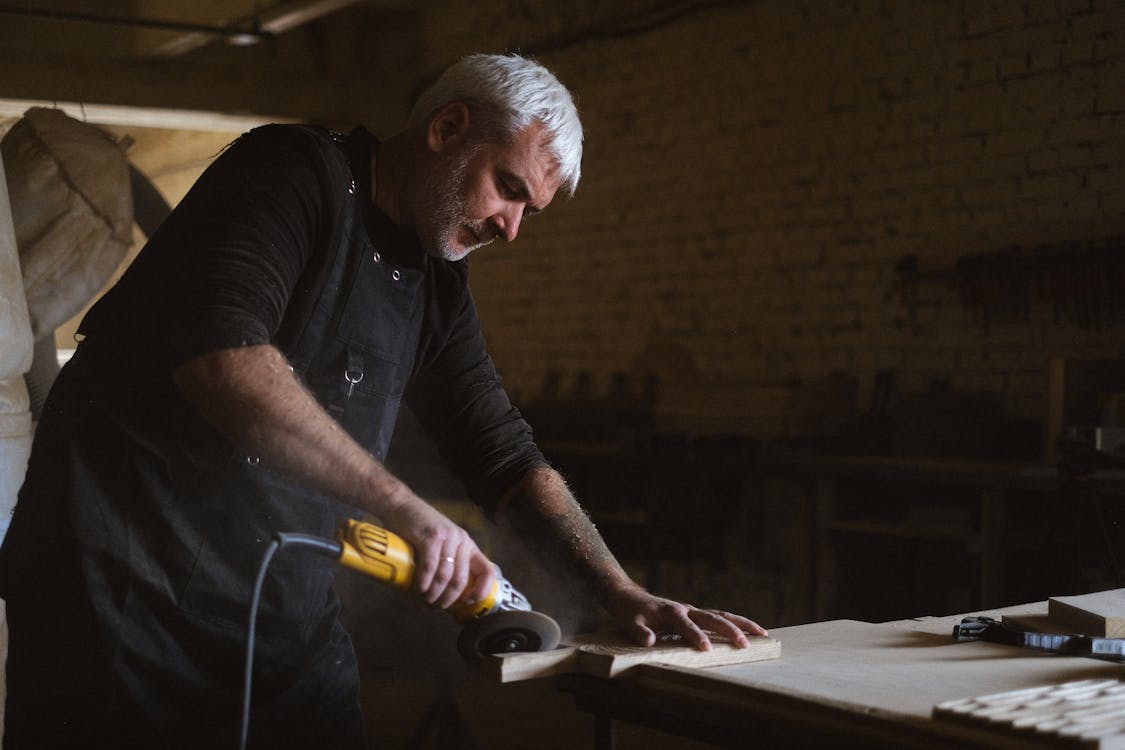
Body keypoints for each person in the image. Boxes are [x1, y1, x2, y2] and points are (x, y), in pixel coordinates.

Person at [0, 53, 766, 749]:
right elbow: (221, 359)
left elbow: (501, 452)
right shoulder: (290, 173)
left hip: (275, 609)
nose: (511, 227)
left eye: (529, 210)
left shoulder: (436, 282)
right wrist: (408, 511)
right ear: (446, 127)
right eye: (508, 188)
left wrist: (620, 592)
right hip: (119, 592)